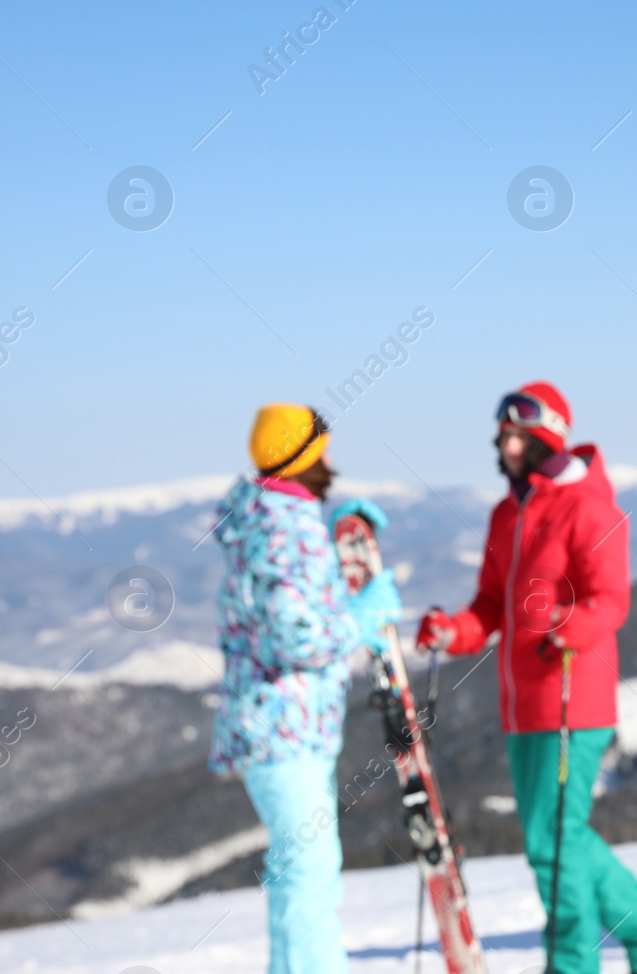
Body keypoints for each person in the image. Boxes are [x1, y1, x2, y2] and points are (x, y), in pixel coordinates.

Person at [416, 382, 637, 974]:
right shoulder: (507, 514)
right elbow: (490, 604)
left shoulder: (588, 507)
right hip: (521, 706)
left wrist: (572, 624)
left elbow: (609, 601)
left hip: (573, 700)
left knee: (554, 846)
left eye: (516, 435)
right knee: (561, 838)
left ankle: (572, 963)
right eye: (501, 436)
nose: (505, 446)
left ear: (546, 436)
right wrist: (452, 631)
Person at [208, 404, 401, 974]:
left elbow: (288, 608)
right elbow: (296, 635)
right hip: (283, 725)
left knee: (302, 870)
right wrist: (360, 619)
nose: (331, 463)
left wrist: (339, 578)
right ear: (300, 459)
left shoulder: (269, 521)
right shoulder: (283, 527)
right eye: (321, 452)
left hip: (286, 724)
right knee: (310, 874)